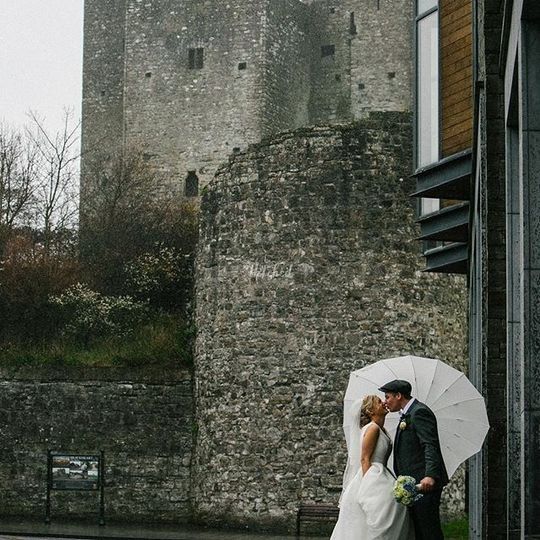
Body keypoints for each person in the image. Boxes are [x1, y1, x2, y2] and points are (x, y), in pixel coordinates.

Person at [330, 395, 414, 540]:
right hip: (372, 476)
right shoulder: (373, 428)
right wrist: (368, 487)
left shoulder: (381, 429)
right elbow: (364, 458)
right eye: (378, 402)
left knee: (394, 511)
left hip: (382, 474)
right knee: (379, 516)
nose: (383, 402)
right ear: (370, 411)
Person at [379, 379, 448, 540]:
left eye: (388, 397)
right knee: (418, 531)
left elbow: (430, 445)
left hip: (424, 484)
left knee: (428, 530)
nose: (385, 401)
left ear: (398, 396)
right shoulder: (408, 414)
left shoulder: (419, 412)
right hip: (413, 483)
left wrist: (430, 475)